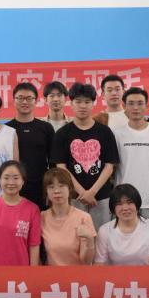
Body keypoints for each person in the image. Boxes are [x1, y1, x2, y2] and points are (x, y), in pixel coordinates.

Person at [50, 82, 120, 229]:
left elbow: (109, 166)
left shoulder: (105, 132)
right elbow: (61, 167)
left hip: (101, 197)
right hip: (73, 197)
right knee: (74, 236)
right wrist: (82, 193)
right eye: (78, 102)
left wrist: (92, 192)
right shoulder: (62, 133)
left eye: (87, 102)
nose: (83, 106)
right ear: (71, 104)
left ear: (93, 104)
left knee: (102, 236)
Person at [112, 87, 149, 220]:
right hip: (122, 198)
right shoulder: (116, 134)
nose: (135, 108)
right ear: (124, 106)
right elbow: (113, 167)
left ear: (147, 106)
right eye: (131, 103)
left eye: (140, 103)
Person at [7, 82, 56, 208]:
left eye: (29, 98)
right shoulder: (6, 129)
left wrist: (51, 187)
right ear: (13, 100)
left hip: (41, 187)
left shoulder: (46, 128)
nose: (25, 102)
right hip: (14, 187)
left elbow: (53, 162)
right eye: (20, 98)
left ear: (36, 101)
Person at [94, 184, 149, 266]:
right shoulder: (104, 231)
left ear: (137, 204)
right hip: (115, 274)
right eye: (119, 204)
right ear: (113, 208)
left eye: (129, 202)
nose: (125, 208)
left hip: (147, 274)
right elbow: (99, 266)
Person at [40, 168, 96, 266]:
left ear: (70, 189)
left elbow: (86, 261)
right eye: (51, 187)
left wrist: (90, 240)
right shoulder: (42, 217)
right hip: (51, 274)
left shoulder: (84, 217)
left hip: (76, 274)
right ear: (46, 191)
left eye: (61, 186)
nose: (56, 191)